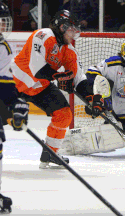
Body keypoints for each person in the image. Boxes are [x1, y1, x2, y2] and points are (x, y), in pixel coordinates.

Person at [11, 9, 104, 169]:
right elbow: (36, 68)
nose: (73, 35)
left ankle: (50, 153)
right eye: (71, 30)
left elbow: (79, 79)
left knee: (64, 114)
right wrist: (59, 77)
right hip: (14, 82)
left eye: (76, 31)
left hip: (39, 86)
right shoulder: (43, 35)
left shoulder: (69, 51)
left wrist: (92, 98)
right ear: (61, 27)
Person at [0, 2, 31, 213]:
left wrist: (15, 103)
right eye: (0, 22)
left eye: (3, 22)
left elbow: (4, 85)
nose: (3, 26)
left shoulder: (3, 48)